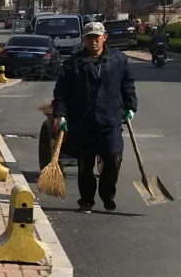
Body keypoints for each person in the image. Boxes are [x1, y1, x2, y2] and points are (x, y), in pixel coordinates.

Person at [52, 20, 138, 211]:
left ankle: (107, 195)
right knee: (85, 165)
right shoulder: (72, 63)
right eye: (89, 37)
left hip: (110, 120)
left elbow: (127, 85)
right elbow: (61, 93)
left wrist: (131, 107)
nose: (93, 41)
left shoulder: (118, 59)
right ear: (83, 39)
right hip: (83, 122)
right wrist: (60, 115)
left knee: (113, 158)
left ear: (104, 37)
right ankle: (86, 200)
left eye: (97, 37)